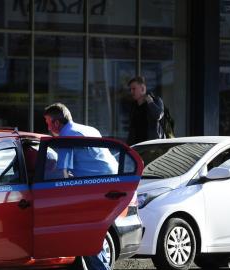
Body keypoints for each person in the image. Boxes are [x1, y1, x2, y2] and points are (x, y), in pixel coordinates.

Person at [43, 102, 113, 270]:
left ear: (56, 123)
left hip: (93, 191)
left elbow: (64, 174)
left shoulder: (67, 137)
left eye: (47, 122)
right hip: (113, 187)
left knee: (85, 238)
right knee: (92, 237)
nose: (47, 126)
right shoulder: (89, 130)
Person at [126, 76, 165, 145]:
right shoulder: (133, 106)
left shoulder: (156, 100)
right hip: (136, 147)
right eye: (130, 89)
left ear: (143, 88)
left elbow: (158, 115)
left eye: (134, 89)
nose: (131, 92)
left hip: (152, 146)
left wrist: (150, 102)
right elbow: (132, 129)